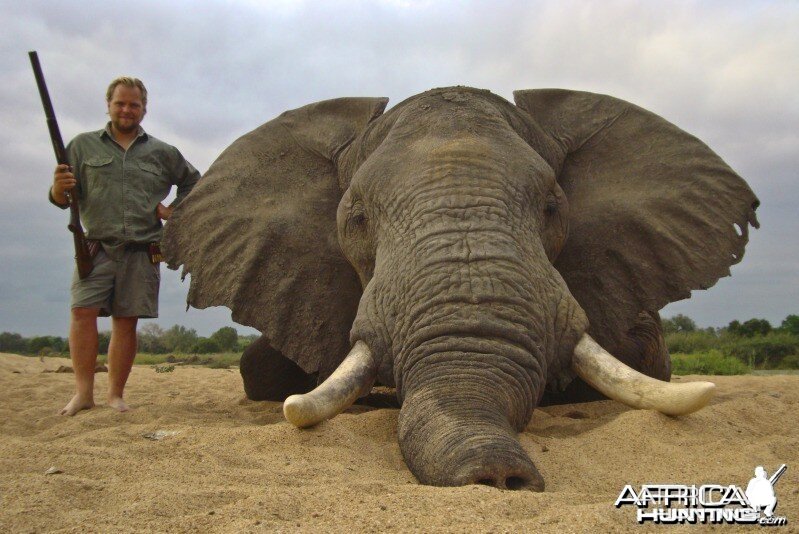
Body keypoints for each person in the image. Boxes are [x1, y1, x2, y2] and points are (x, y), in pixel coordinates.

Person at [49, 76, 200, 416]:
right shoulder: (81, 146)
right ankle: (83, 393)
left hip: (142, 248)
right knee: (82, 313)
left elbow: (194, 182)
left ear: (144, 109)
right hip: (95, 247)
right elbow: (61, 198)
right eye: (120, 103)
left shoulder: (163, 152)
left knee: (126, 321)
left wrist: (173, 210)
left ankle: (115, 395)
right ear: (109, 105)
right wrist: (59, 188)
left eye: (134, 104)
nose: (126, 109)